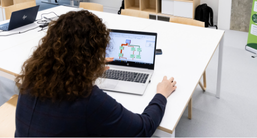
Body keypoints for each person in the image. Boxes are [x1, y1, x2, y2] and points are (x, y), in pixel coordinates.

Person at [15, 10, 177, 137]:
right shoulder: (87, 99)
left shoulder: (32, 77)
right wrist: (161, 95)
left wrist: (89, 69)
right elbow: (142, 129)